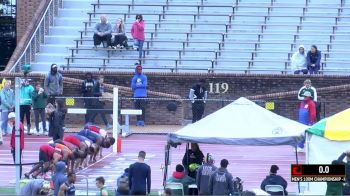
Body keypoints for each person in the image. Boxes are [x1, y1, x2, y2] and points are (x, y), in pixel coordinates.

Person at [8, 112, 24, 178]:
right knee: (17, 162)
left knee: (17, 162)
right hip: (17, 146)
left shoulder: (17, 124)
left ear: (13, 118)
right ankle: (18, 176)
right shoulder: (17, 124)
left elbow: (16, 136)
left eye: (10, 119)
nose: (10, 121)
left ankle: (18, 177)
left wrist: (13, 146)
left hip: (17, 146)